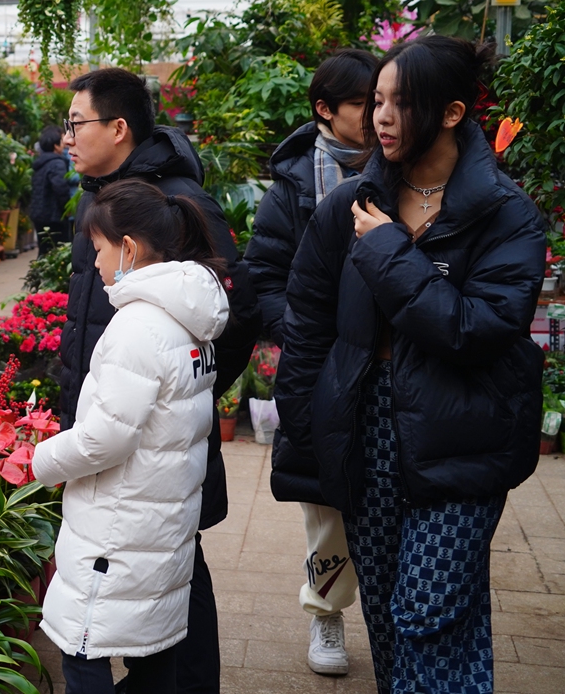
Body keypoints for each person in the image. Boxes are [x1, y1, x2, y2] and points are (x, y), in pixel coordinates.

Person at [274, 35, 545, 693]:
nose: (381, 118)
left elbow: (478, 330)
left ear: (452, 112)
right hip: (366, 431)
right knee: (391, 616)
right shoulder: (350, 208)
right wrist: (307, 421)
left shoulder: (505, 216)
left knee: (427, 605)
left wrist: (393, 251)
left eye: (400, 102)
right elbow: (307, 324)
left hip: (466, 431)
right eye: (377, 101)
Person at [57, 66, 261, 693]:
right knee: (160, 578)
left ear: (118, 128)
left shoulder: (175, 205)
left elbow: (234, 312)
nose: (66, 137)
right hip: (116, 426)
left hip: (151, 442)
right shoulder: (108, 199)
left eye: (76, 123)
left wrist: (178, 393)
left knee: (171, 577)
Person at [33, 179, 230, 694]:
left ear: (128, 248)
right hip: (159, 521)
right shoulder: (188, 319)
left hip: (117, 527)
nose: (95, 264)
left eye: (98, 249)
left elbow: (103, 440)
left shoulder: (137, 327)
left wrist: (40, 460)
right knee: (153, 658)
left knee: (83, 650)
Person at [244, 48, 377, 676]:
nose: (379, 115)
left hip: (389, 361)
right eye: (364, 104)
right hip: (320, 367)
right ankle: (327, 617)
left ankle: (393, 615)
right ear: (325, 109)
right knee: (325, 506)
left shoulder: (405, 167)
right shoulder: (295, 184)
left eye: (385, 102)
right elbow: (262, 274)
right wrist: (302, 331)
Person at [30, 125, 73, 255]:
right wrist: (67, 209)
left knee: (44, 250)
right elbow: (60, 188)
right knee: (59, 251)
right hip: (54, 217)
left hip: (39, 215)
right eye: (61, 139)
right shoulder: (57, 163)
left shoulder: (41, 163)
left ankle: (38, 275)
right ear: (56, 145)